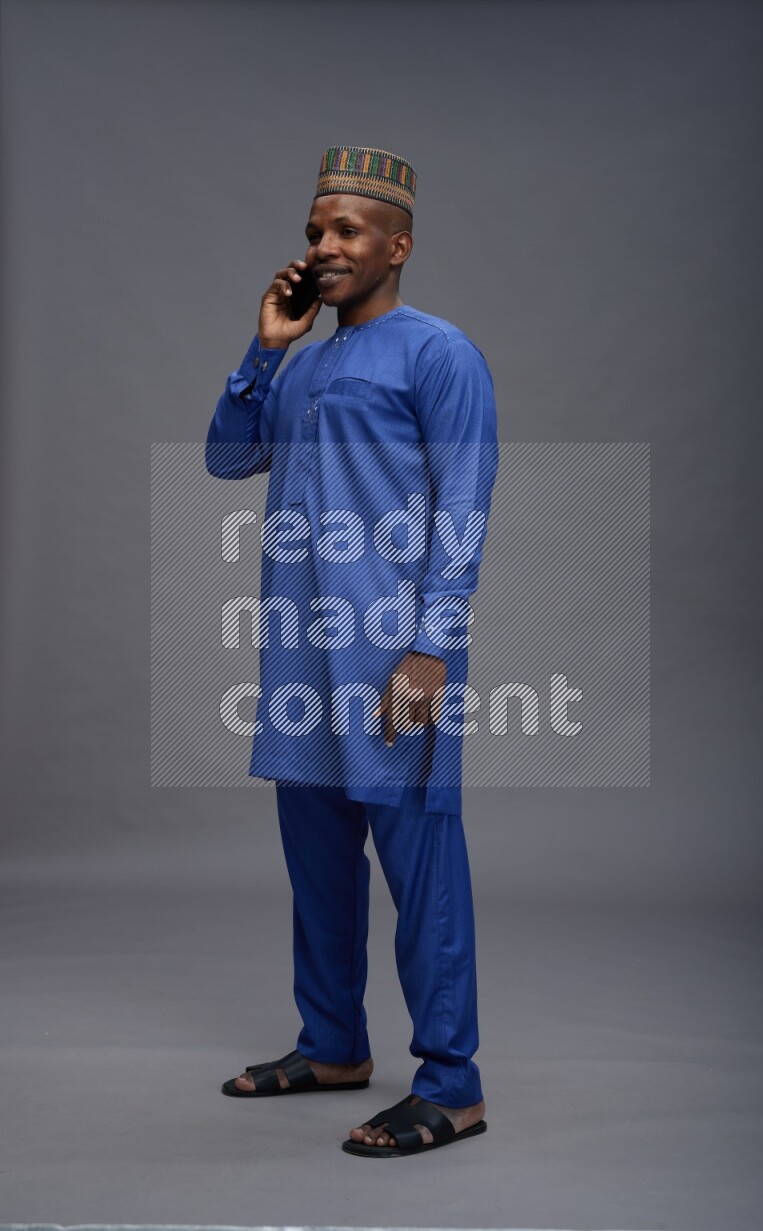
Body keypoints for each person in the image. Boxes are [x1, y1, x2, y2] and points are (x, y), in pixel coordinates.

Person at [206, 145, 499, 1157]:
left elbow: (462, 506)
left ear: (397, 245)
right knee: (318, 862)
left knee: (419, 867)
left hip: (390, 651)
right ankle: (332, 1044)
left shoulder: (437, 352)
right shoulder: (300, 359)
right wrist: (263, 352)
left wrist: (431, 648)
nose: (322, 247)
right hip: (297, 650)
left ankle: (451, 1082)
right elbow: (225, 456)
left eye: (345, 232)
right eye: (313, 232)